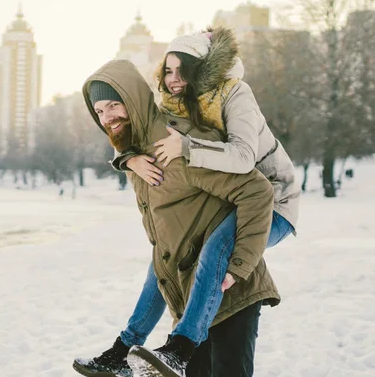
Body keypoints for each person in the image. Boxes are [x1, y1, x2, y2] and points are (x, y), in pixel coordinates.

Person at [74, 27, 300, 377]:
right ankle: (126, 349)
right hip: (195, 285)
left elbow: (250, 176)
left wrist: (238, 266)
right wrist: (127, 159)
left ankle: (178, 347)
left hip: (272, 203)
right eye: (99, 111)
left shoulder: (220, 108)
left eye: (114, 105)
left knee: (215, 250)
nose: (107, 117)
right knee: (159, 266)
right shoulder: (163, 131)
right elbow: (142, 126)